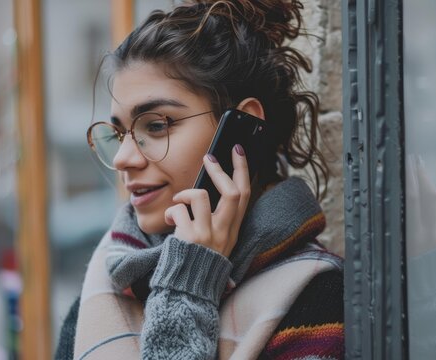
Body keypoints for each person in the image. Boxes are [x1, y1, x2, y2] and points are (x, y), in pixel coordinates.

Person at [56, 1, 344, 359]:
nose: (123, 158)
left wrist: (187, 286)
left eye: (157, 126)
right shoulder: (102, 290)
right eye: (119, 134)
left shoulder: (316, 297)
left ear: (241, 130)